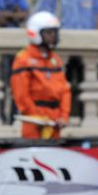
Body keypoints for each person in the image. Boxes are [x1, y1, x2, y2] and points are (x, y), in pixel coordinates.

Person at [10, 11, 71, 140]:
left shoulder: (55, 59)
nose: (53, 36)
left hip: (54, 121)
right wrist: (37, 117)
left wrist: (63, 116)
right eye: (49, 33)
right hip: (34, 121)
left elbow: (65, 91)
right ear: (36, 34)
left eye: (54, 32)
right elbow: (21, 94)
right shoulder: (23, 59)